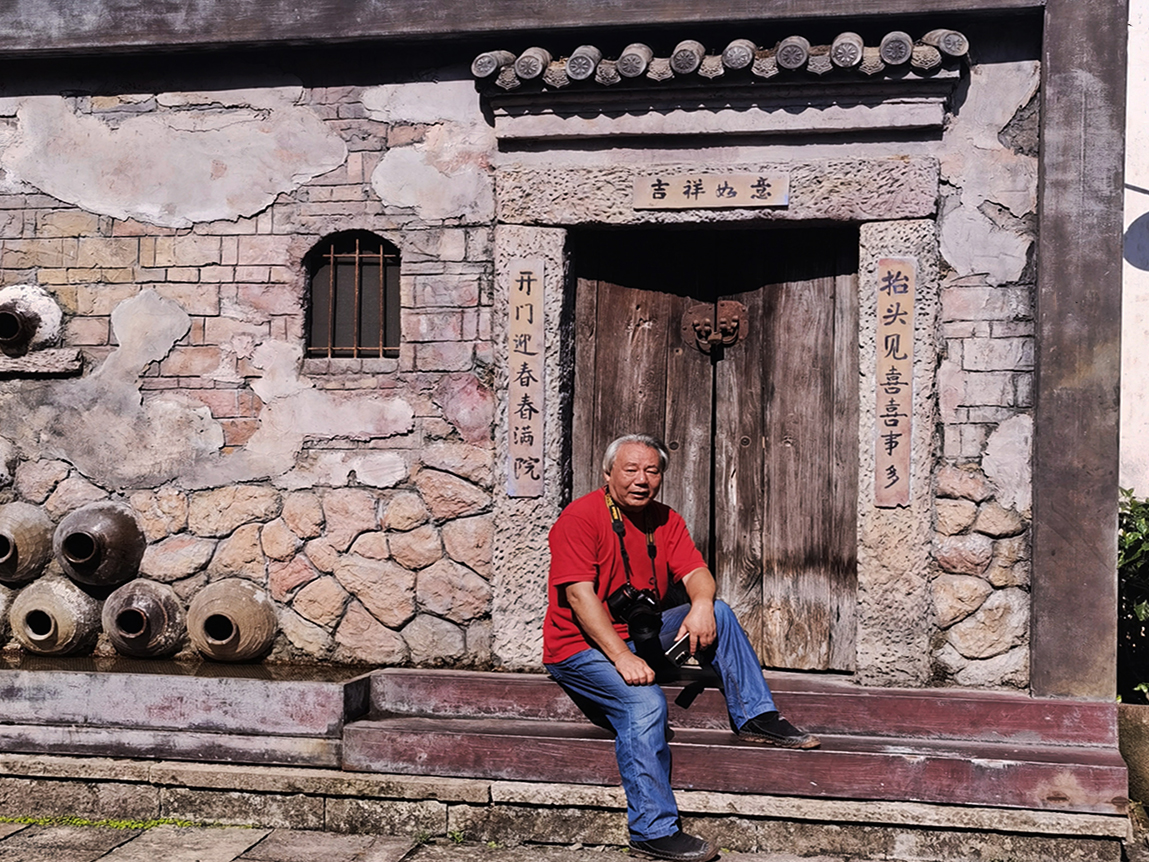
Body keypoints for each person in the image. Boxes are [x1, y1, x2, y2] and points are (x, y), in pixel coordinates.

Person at [543, 433, 819, 862]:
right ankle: (651, 832)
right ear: (607, 474)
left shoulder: (665, 518)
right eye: (630, 470)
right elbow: (580, 597)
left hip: (640, 636)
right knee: (645, 704)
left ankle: (756, 716)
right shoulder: (579, 517)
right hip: (579, 647)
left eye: (651, 471)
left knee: (720, 612)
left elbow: (696, 572)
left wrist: (702, 605)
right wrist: (622, 656)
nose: (641, 479)